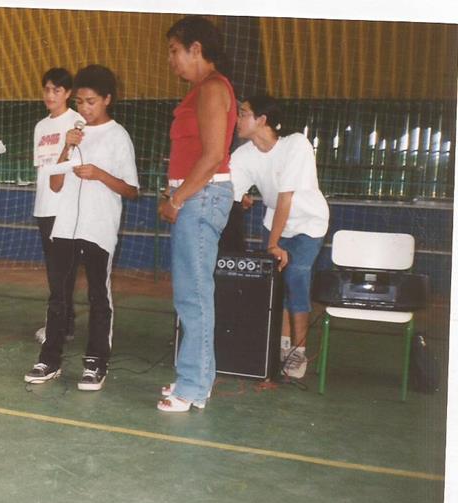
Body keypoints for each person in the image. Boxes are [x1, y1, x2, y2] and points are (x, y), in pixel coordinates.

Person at [24, 64, 139, 391]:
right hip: (64, 226)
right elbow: (55, 184)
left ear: (107, 99)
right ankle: (50, 359)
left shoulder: (118, 136)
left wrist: (99, 174)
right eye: (80, 102)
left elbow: (131, 189)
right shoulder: (74, 133)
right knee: (58, 295)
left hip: (98, 226)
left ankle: (96, 363)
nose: (84, 109)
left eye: (91, 102)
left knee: (98, 295)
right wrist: (67, 146)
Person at [157, 16, 237, 412]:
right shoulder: (201, 90)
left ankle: (192, 386)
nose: (171, 60)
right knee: (191, 293)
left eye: (175, 51)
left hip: (201, 198)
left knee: (194, 295)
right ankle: (196, 378)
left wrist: (177, 199)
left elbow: (212, 156)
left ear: (197, 49)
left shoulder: (212, 88)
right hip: (195, 195)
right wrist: (175, 191)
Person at [230, 94, 330, 378]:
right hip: (275, 222)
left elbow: (285, 197)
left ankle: (299, 351)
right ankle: (282, 345)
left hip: (308, 223)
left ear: (261, 119)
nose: (237, 119)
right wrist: (238, 198)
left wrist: (273, 245)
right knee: (276, 284)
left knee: (296, 275)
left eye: (243, 113)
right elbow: (229, 190)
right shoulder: (243, 155)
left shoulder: (296, 144)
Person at [32, 68, 83, 343]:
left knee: (61, 271)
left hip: (66, 207)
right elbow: (42, 169)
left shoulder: (76, 122)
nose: (50, 95)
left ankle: (56, 327)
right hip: (44, 207)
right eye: (47, 89)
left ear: (68, 93)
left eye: (57, 90)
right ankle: (66, 325)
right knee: (57, 270)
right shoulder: (41, 126)